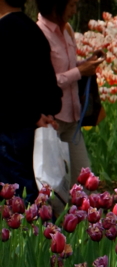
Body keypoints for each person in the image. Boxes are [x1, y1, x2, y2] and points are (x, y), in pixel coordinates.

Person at [37, 0, 101, 203]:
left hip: (73, 119)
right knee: (55, 187)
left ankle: (90, 227)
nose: (75, 10)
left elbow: (69, 67)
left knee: (86, 180)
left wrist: (87, 64)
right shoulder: (41, 34)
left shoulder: (67, 31)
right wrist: (79, 72)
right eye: (71, 5)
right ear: (56, 5)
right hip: (52, 121)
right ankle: (59, 230)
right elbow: (46, 82)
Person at [0, 0, 62, 200]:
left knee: (19, 200)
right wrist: (47, 113)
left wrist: (34, 116)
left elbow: (6, 87)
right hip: (37, 127)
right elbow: (49, 84)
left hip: (11, 128)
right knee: (37, 192)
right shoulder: (34, 30)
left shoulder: (3, 30)